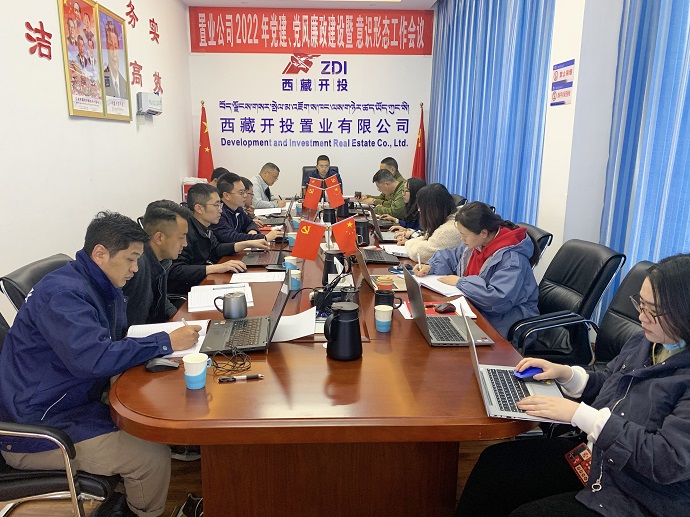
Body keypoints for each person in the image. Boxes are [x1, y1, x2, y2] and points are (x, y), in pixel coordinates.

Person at [455, 254, 690, 517]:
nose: (642, 316)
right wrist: (567, 374)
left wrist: (580, 415)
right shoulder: (645, 341)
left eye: (653, 311)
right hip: (601, 460)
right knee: (496, 464)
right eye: (641, 304)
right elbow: (612, 380)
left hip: (641, 493)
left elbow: (667, 460)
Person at [0, 211, 201, 517]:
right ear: (100, 254)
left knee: (156, 409)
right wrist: (164, 342)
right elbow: (93, 360)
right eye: (131, 259)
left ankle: (128, 496)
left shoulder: (94, 284)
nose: (136, 269)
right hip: (38, 427)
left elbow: (107, 344)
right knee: (150, 456)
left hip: (68, 400)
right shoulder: (64, 295)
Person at [414, 201, 538, 337]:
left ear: (483, 233)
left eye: (465, 235)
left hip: (506, 322)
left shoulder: (512, 260)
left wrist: (461, 282)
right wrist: (431, 266)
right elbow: (454, 257)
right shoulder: (478, 243)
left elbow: (497, 300)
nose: (462, 239)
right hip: (477, 308)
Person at [168, 183, 264, 296]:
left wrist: (247, 243)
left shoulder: (205, 226)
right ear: (199, 208)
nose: (220, 210)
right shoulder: (186, 232)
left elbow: (216, 249)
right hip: (192, 291)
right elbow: (176, 270)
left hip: (205, 283)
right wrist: (216, 268)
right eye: (216, 205)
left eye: (220, 205)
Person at [123, 200, 191, 327]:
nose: (185, 244)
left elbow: (160, 300)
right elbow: (133, 326)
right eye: (181, 237)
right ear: (159, 238)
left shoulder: (162, 260)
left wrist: (179, 320)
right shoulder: (137, 267)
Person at [210, 172, 283, 244]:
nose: (245, 195)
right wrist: (264, 238)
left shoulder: (238, 208)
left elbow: (250, 222)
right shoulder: (218, 213)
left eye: (245, 191)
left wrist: (252, 231)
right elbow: (231, 237)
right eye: (241, 192)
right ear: (226, 195)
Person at [403, 183, 464, 263]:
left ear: (432, 208)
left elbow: (419, 254)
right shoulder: (445, 220)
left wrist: (408, 243)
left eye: (421, 206)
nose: (419, 210)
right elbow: (426, 238)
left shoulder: (451, 229)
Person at [103, 22, 127, 99]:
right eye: (111, 47)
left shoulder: (124, 83)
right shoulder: (102, 79)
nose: (114, 53)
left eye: (116, 47)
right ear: (106, 49)